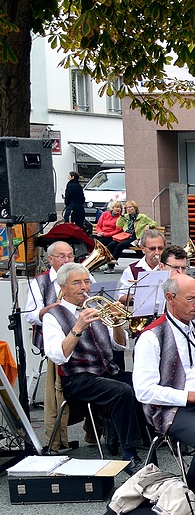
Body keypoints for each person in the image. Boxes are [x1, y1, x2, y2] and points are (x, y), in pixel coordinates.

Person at [133, 274, 195, 511]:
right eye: (191, 299)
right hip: (172, 407)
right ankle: (192, 495)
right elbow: (143, 391)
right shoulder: (151, 337)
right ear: (169, 298)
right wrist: (191, 396)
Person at [42, 263, 146, 474]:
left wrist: (117, 324)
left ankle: (140, 436)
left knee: (144, 383)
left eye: (87, 281)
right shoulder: (53, 316)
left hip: (107, 371)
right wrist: (77, 328)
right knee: (122, 391)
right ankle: (129, 453)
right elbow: (58, 356)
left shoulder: (97, 308)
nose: (84, 287)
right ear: (63, 286)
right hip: (77, 377)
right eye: (77, 282)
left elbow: (119, 345)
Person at [25, 242, 95, 450]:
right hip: (57, 339)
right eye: (62, 257)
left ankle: (98, 431)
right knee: (58, 391)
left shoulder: (84, 275)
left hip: (90, 341)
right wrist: (51, 310)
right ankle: (56, 439)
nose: (67, 260)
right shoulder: (40, 282)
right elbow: (30, 315)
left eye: (70, 256)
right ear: (51, 259)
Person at [116, 229, 166, 303]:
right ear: (142, 249)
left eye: (160, 248)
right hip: (142, 313)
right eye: (152, 249)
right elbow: (122, 297)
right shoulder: (131, 270)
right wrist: (136, 298)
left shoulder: (170, 266)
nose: (157, 252)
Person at [93, 201, 124, 267]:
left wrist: (105, 234)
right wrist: (99, 232)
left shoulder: (120, 218)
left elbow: (117, 231)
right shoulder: (105, 214)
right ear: (112, 208)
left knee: (100, 243)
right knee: (89, 240)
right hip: (102, 234)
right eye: (116, 207)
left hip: (111, 236)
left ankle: (103, 262)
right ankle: (92, 261)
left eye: (120, 208)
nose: (118, 209)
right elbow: (99, 225)